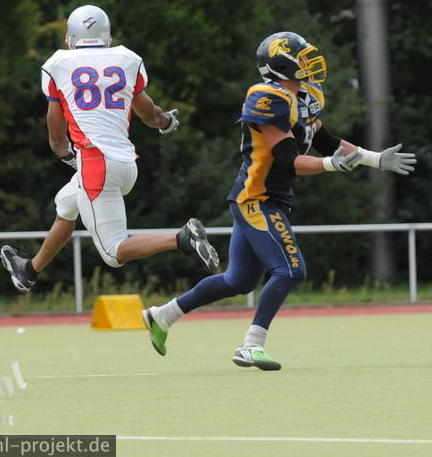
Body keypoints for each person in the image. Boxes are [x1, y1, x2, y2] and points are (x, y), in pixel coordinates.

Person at [141, 31, 416, 370]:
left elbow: (328, 142)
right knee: (290, 269)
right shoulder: (267, 97)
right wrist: (331, 166)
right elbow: (289, 160)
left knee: (238, 280)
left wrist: (374, 158)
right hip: (257, 198)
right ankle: (251, 345)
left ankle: (162, 316)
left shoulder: (305, 95)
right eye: (301, 58)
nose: (310, 62)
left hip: (270, 198)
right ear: (281, 65)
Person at [0, 5, 219, 292]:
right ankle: (29, 271)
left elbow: (57, 140)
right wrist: (167, 122)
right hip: (126, 164)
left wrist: (70, 157)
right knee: (66, 205)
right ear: (109, 37)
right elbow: (150, 115)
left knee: (113, 253)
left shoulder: (58, 65)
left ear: (69, 38)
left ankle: (182, 239)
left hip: (96, 164)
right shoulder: (127, 60)